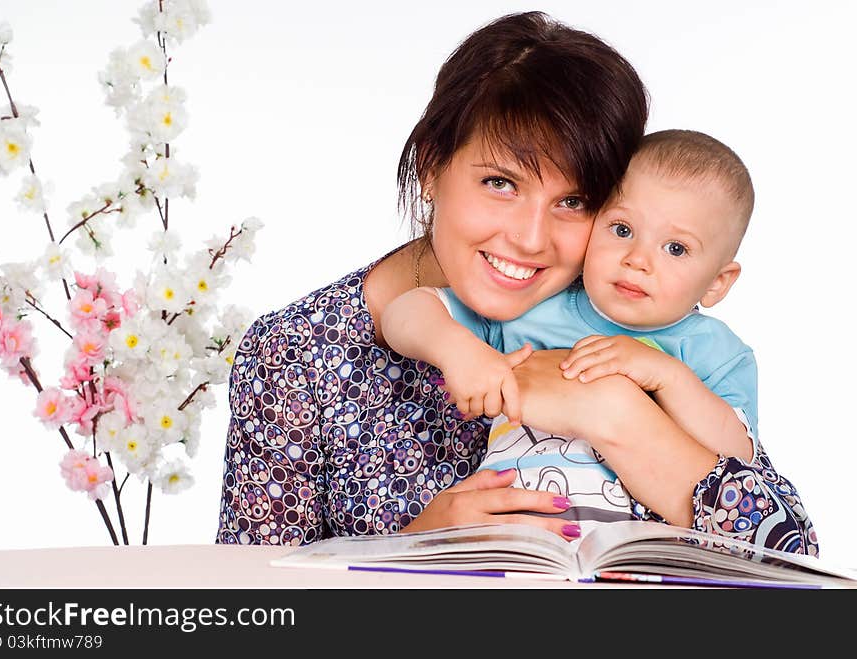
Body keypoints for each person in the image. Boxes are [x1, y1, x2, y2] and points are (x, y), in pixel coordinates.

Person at [216, 11, 817, 555]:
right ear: (431, 165)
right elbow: (244, 609)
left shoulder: (621, 314)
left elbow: (790, 553)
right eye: (500, 182)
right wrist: (414, 546)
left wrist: (618, 416)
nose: (531, 239)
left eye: (574, 200)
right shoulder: (296, 354)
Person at [382, 129, 761, 538]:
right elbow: (406, 311)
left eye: (675, 249)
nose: (637, 259)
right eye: (621, 229)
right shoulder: (536, 308)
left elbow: (739, 459)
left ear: (717, 283)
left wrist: (668, 377)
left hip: (638, 557)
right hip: (512, 536)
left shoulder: (716, 351)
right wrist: (455, 349)